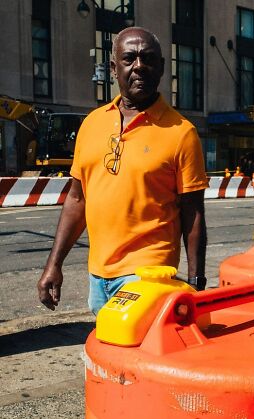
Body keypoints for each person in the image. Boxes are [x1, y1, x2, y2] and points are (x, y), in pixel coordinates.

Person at [37, 27, 209, 314]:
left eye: (148, 59)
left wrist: (195, 282)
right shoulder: (92, 124)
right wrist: (53, 265)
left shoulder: (182, 133)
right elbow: (77, 200)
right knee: (106, 355)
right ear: (115, 69)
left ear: (162, 68)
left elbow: (193, 214)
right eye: (130, 59)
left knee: (136, 352)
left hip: (148, 275)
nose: (139, 66)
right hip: (98, 277)